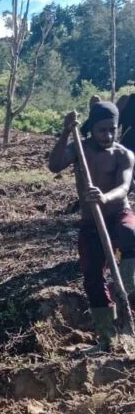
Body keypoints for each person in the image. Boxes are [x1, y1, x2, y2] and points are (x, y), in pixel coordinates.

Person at [48, 102, 135, 348]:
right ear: (91, 129)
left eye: (112, 129)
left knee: (131, 234)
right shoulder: (79, 148)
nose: (108, 135)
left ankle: (127, 293)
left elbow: (124, 187)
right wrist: (66, 131)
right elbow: (54, 165)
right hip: (91, 223)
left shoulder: (123, 154)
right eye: (102, 130)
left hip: (118, 213)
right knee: (92, 278)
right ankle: (108, 336)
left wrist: (105, 197)